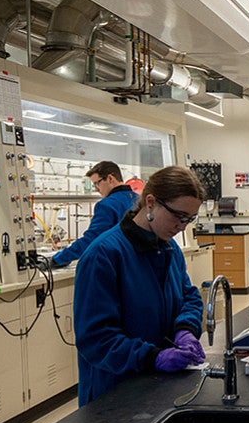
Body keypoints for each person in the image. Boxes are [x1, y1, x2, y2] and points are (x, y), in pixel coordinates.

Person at [72, 165, 207, 406]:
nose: (183, 226)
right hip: (113, 394)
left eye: (190, 218)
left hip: (156, 387)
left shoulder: (168, 248)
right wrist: (151, 357)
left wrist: (184, 329)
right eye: (179, 216)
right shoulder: (104, 255)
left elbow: (189, 297)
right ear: (151, 202)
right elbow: (96, 338)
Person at [50, 161, 138, 268]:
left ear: (110, 178)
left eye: (97, 183)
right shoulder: (138, 199)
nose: (96, 189)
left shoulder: (107, 204)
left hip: (118, 266)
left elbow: (92, 239)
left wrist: (58, 259)